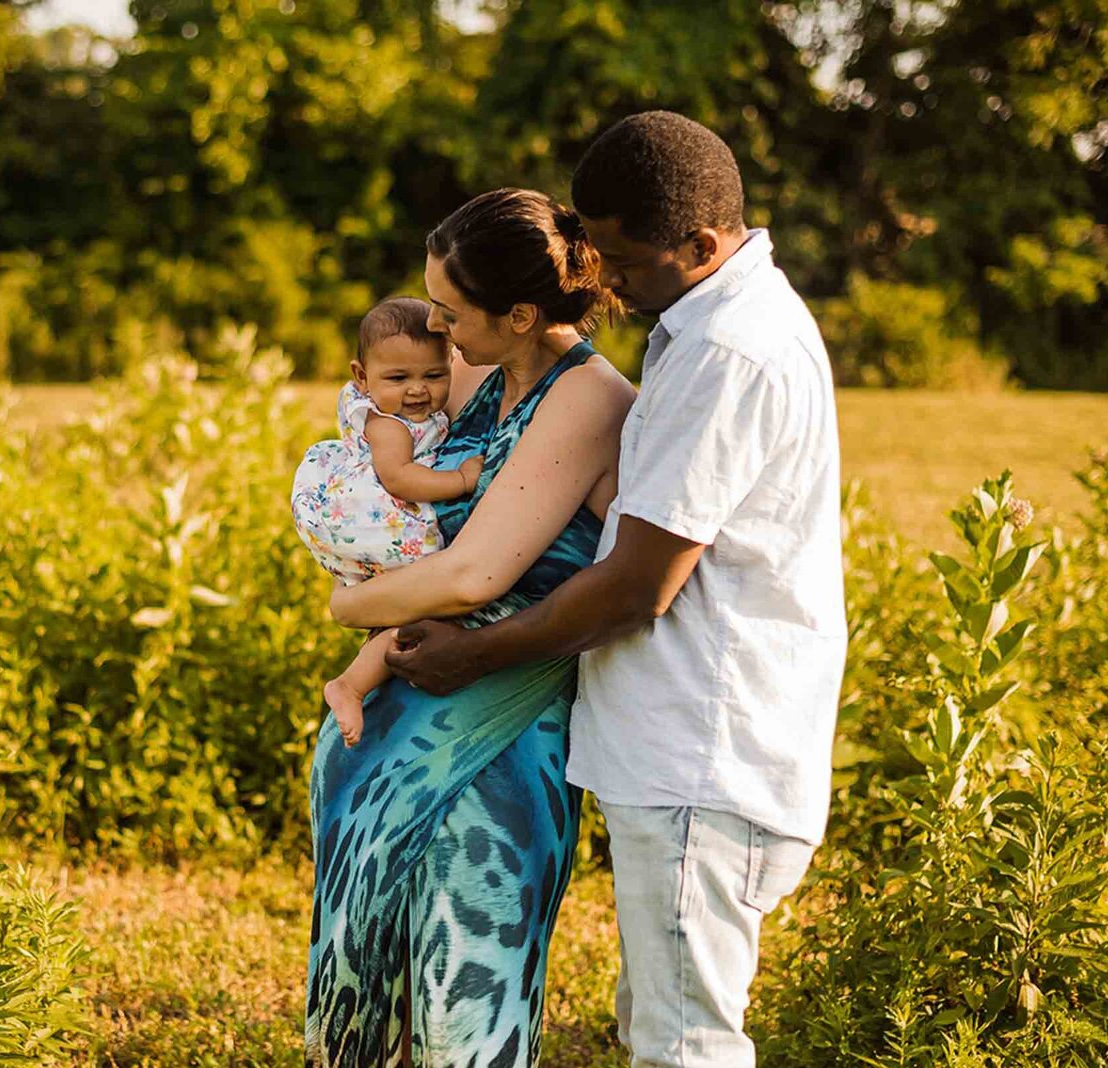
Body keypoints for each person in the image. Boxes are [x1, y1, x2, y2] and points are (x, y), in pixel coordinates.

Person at [380, 112, 847, 1067]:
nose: (602, 281)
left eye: (623, 261)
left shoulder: (729, 352)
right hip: (679, 748)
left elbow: (640, 584)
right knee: (653, 1028)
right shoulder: (704, 321)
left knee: (685, 1047)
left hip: (704, 753)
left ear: (701, 243)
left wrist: (476, 652)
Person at [304, 187, 635, 1067]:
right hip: (408, 707)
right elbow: (373, 417)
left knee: (464, 989)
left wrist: (346, 603)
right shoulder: (483, 372)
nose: (436, 331)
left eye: (451, 314)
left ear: (521, 313)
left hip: (501, 725)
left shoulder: (588, 398)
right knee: (384, 977)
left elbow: (472, 574)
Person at [290, 297, 485, 747]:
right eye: (398, 378)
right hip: (381, 520)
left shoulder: (411, 413)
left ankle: (351, 685)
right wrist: (459, 480)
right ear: (362, 377)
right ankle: (350, 686)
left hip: (382, 522)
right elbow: (399, 478)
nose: (417, 390)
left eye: (433, 375)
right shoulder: (388, 425)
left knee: (406, 619)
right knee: (424, 604)